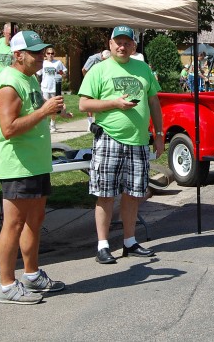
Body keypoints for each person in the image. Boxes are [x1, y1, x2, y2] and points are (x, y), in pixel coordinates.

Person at [0, 31, 67, 304]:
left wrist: (52, 110)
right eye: (34, 53)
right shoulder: (9, 83)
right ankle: (6, 285)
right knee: (14, 223)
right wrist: (43, 112)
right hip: (17, 165)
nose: (39, 57)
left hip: (36, 162)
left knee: (35, 221)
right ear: (18, 55)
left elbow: (33, 113)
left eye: (40, 52)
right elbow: (9, 128)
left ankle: (31, 275)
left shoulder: (29, 78)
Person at [78, 25, 164, 264]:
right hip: (109, 138)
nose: (122, 46)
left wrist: (159, 133)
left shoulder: (143, 69)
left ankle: (129, 242)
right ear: (110, 44)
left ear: (134, 46)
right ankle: (103, 246)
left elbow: (154, 102)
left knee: (133, 194)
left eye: (127, 43)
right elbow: (84, 105)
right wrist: (114, 103)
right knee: (105, 194)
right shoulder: (99, 70)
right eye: (118, 42)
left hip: (138, 141)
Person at [36, 47, 68, 132]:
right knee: (44, 107)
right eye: (48, 53)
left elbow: (64, 73)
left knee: (54, 107)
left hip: (55, 88)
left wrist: (59, 72)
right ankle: (44, 125)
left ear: (54, 54)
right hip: (45, 88)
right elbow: (38, 74)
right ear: (45, 54)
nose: (50, 55)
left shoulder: (58, 63)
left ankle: (52, 124)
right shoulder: (43, 63)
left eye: (52, 53)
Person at [81, 49, 111, 131]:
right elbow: (84, 69)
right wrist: (87, 80)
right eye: (104, 60)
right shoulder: (93, 59)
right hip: (91, 82)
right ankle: (90, 124)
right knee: (89, 102)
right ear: (102, 56)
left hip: (102, 83)